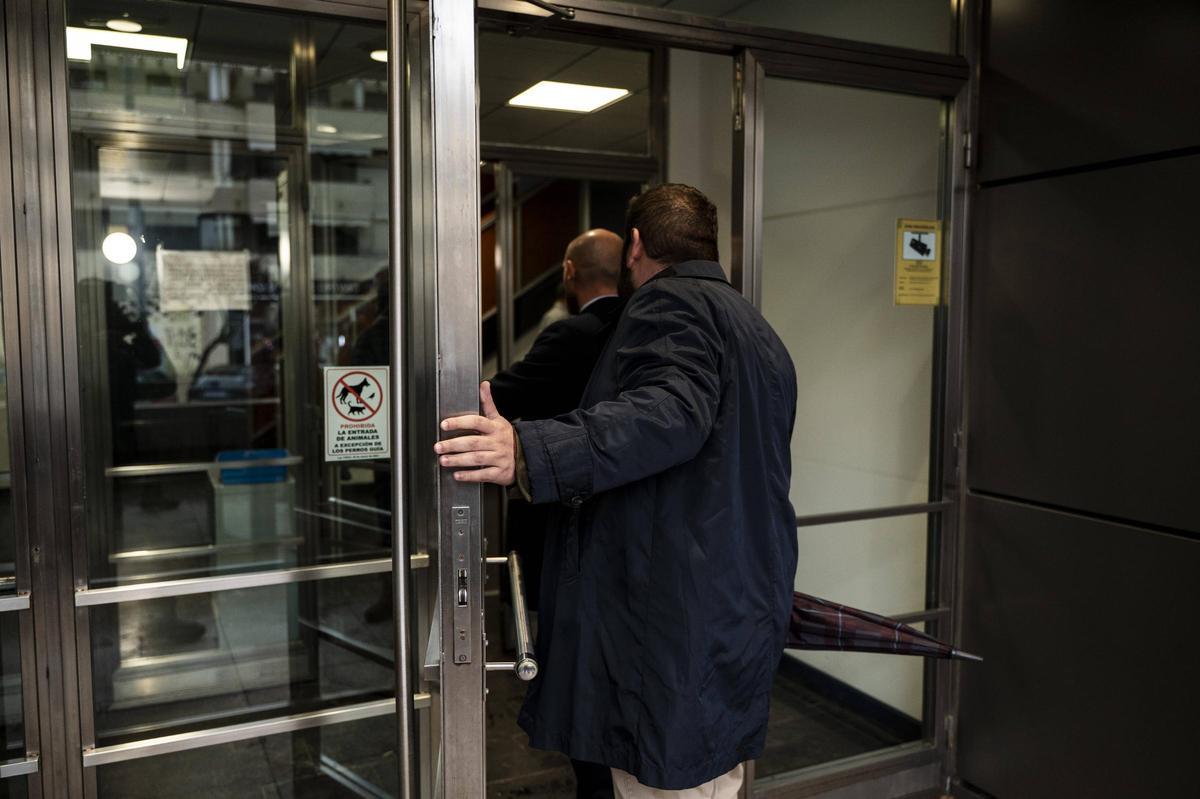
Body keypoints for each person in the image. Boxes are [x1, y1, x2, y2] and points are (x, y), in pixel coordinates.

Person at [435, 184, 798, 797]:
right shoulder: (754, 327)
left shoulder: (670, 305)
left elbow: (668, 414)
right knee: (710, 779)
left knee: (667, 781)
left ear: (635, 246)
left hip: (674, 620)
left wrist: (526, 450)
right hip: (732, 606)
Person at [488, 228, 625, 799]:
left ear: (569, 273)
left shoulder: (572, 335)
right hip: (628, 537)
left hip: (564, 526)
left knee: (575, 672)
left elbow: (498, 397)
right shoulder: (653, 332)